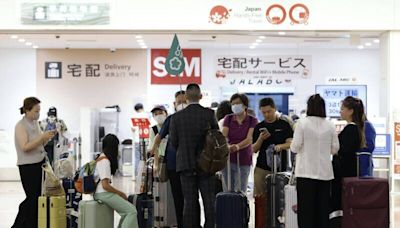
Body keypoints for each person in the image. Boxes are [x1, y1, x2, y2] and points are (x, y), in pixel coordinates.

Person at [169, 84, 218, 228]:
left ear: (186, 97)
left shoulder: (177, 117)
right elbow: (216, 137)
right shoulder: (209, 114)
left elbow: (174, 142)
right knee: (209, 201)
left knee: (189, 202)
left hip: (185, 164)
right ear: (200, 96)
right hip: (207, 164)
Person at [290, 94, 339, 228]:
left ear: (309, 107)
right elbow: (335, 148)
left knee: (306, 212)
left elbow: (295, 147)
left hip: (305, 173)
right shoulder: (330, 125)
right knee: (322, 211)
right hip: (325, 174)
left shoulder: (302, 123)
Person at [12, 97, 56, 228]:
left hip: (39, 163)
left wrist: (46, 138)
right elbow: (25, 147)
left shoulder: (35, 124)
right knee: (32, 198)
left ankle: (33, 223)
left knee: (38, 198)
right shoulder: (20, 126)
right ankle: (19, 224)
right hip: (28, 167)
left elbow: (38, 144)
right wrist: (42, 137)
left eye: (39, 111)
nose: (38, 114)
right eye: (36, 111)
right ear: (27, 110)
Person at [149, 90, 187, 228]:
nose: (181, 104)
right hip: (172, 164)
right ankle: (180, 223)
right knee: (177, 197)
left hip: (190, 165)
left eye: (184, 101)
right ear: (174, 103)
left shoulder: (191, 119)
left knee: (190, 197)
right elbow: (158, 137)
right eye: (179, 102)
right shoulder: (171, 119)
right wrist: (153, 152)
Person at [94, 134, 138, 228]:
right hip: (103, 194)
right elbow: (105, 185)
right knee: (131, 211)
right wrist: (120, 193)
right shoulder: (105, 161)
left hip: (101, 193)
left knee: (126, 212)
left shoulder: (101, 157)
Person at [331, 96, 366, 215]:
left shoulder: (351, 129)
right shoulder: (354, 128)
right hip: (346, 171)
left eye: (342, 109)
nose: (340, 111)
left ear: (350, 111)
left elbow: (343, 150)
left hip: (344, 172)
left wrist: (334, 149)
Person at [252, 97, 293, 197]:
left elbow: (291, 143)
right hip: (262, 168)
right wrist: (261, 139)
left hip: (280, 168)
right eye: (263, 112)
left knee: (280, 198)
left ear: (274, 109)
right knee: (260, 197)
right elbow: (254, 149)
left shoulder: (284, 125)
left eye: (269, 111)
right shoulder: (259, 127)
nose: (266, 115)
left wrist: (281, 146)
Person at [222, 93, 257, 192]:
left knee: (241, 190)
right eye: (233, 104)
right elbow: (224, 136)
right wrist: (227, 146)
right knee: (228, 189)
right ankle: (228, 207)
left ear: (245, 105)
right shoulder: (228, 119)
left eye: (238, 103)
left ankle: (240, 207)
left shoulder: (252, 120)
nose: (235, 106)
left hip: (244, 159)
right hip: (228, 159)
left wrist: (237, 146)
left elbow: (249, 139)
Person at [357, 99, 376, 176]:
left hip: (363, 164)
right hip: (360, 164)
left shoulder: (366, 126)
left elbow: (369, 146)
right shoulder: (357, 126)